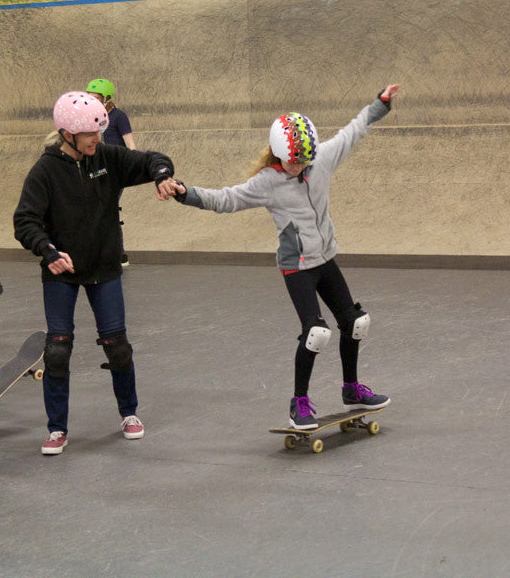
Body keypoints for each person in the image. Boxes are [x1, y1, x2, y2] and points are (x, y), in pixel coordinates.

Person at [165, 85, 400, 429]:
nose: (300, 166)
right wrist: (186, 194)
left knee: (355, 323)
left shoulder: (321, 161)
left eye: (305, 160)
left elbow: (353, 132)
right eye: (293, 161)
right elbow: (226, 199)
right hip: (297, 269)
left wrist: (380, 105)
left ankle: (351, 389)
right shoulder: (266, 182)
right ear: (278, 155)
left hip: (325, 259)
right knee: (316, 333)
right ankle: (299, 403)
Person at [13, 91, 176, 455]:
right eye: (89, 134)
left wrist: (161, 174)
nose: (97, 139)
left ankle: (129, 412)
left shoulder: (106, 157)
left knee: (117, 346)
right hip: (61, 270)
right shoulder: (45, 171)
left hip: (104, 268)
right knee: (57, 350)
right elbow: (24, 221)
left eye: (98, 132)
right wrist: (47, 250)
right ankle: (57, 429)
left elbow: (152, 159)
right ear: (67, 133)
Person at [85, 78, 135, 265]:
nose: (92, 103)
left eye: (96, 99)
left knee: (108, 206)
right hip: (97, 169)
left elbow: (130, 144)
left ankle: (118, 253)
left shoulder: (118, 117)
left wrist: (135, 165)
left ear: (107, 99)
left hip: (116, 171)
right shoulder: (91, 118)